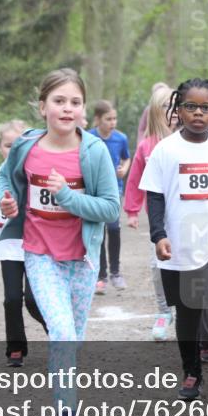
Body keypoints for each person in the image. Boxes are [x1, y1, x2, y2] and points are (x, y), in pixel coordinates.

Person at [0, 68, 120, 416]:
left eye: (75, 102)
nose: (67, 108)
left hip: (82, 261)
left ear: (83, 109)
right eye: (59, 101)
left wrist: (67, 196)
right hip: (41, 256)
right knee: (62, 334)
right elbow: (4, 179)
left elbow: (109, 208)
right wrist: (6, 201)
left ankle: (65, 409)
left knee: (72, 341)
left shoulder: (94, 151)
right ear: (42, 106)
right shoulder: (27, 147)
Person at [139, 78, 208, 402]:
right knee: (187, 313)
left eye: (206, 107)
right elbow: (155, 198)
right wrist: (158, 235)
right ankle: (192, 374)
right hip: (178, 246)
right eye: (190, 106)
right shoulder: (165, 151)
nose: (198, 113)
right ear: (178, 110)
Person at [0, 120, 47, 367]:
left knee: (35, 301)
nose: (12, 149)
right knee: (12, 299)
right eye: (7, 145)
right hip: (7, 248)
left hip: (36, 246)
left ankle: (59, 332)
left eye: (18, 145)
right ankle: (15, 348)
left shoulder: (36, 176)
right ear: (0, 148)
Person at [123, 84, 176, 341]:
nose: (173, 111)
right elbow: (134, 180)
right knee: (158, 264)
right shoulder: (146, 146)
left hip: (188, 216)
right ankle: (164, 311)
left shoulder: (193, 141)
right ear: (155, 112)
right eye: (166, 106)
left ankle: (190, 312)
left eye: (176, 105)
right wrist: (132, 210)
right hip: (158, 218)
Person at [89, 99, 131, 294]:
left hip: (115, 189)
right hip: (95, 191)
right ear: (97, 119)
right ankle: (101, 276)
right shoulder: (88, 138)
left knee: (113, 228)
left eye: (114, 119)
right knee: (99, 232)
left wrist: (124, 169)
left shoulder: (120, 138)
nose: (113, 123)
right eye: (108, 119)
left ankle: (116, 272)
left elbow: (126, 157)